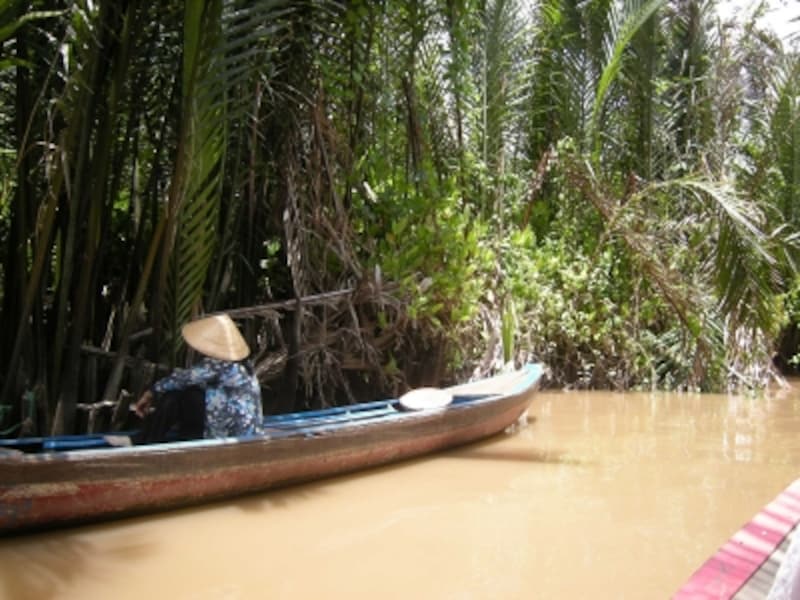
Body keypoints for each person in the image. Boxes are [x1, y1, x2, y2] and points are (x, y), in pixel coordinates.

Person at [134, 314, 263, 443]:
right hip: (248, 429)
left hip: (229, 431)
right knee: (189, 394)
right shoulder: (244, 364)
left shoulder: (220, 364)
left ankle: (147, 440)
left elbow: (182, 379)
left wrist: (151, 391)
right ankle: (176, 436)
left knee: (174, 397)